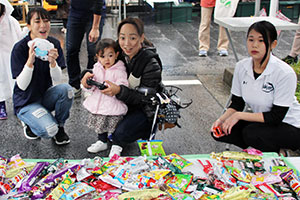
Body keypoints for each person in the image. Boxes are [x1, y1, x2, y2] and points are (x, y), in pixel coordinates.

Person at [211, 20, 300, 156]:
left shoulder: (284, 72)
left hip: (290, 126)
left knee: (251, 133)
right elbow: (237, 103)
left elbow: (276, 116)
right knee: (221, 132)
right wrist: (221, 120)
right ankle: (263, 149)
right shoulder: (242, 67)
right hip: (264, 122)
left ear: (273, 44)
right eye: (251, 40)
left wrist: (238, 116)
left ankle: (277, 154)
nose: (254, 45)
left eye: (261, 41)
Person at [81, 17, 163, 158]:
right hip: (123, 103)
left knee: (119, 135)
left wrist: (119, 91)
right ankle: (111, 137)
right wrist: (85, 76)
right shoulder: (118, 52)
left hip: (144, 108)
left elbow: (147, 98)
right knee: (109, 126)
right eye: (122, 38)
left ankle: (144, 129)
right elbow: (101, 66)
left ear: (141, 38)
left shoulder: (150, 62)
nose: (126, 44)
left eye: (132, 38)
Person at [11, 7, 73, 145]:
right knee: (49, 130)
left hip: (44, 96)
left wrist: (53, 63)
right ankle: (28, 121)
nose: (43, 25)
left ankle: (60, 127)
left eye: (46, 21)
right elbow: (21, 85)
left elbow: (57, 81)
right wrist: (30, 62)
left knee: (67, 90)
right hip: (26, 102)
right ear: (29, 26)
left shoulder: (54, 44)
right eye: (37, 21)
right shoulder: (20, 48)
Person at [83, 38, 128, 153]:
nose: (107, 59)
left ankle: (117, 144)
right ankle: (101, 141)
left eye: (110, 55)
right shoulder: (97, 68)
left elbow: (123, 84)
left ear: (117, 55)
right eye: (102, 57)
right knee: (100, 123)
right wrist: (90, 83)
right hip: (99, 101)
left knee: (114, 125)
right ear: (97, 57)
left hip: (112, 103)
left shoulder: (119, 69)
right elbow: (92, 86)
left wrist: (116, 87)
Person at [66, 0, 106, 98]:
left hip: (94, 14)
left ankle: (90, 84)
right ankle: (74, 84)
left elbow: (99, 2)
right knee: (71, 49)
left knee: (92, 51)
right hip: (75, 12)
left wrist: (95, 27)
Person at [0, 0, 22, 120]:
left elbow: (19, 37)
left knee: (14, 80)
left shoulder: (11, 21)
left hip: (10, 55)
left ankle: (18, 104)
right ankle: (1, 105)